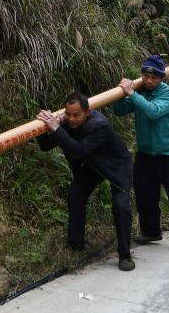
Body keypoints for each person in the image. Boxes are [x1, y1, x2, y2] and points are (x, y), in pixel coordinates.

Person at [36, 92, 135, 271]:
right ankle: (76, 244)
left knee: (120, 206)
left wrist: (56, 128)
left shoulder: (99, 125)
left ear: (87, 112)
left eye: (77, 115)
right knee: (76, 194)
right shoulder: (67, 122)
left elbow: (78, 151)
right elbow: (46, 146)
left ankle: (125, 255)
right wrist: (41, 126)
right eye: (68, 114)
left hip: (116, 166)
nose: (71, 119)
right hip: (93, 164)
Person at [113, 55, 169, 254]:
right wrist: (120, 95)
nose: (148, 80)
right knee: (145, 197)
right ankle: (151, 232)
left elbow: (153, 111)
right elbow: (119, 111)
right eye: (145, 76)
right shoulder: (139, 92)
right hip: (146, 155)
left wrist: (132, 93)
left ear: (162, 78)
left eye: (154, 77)